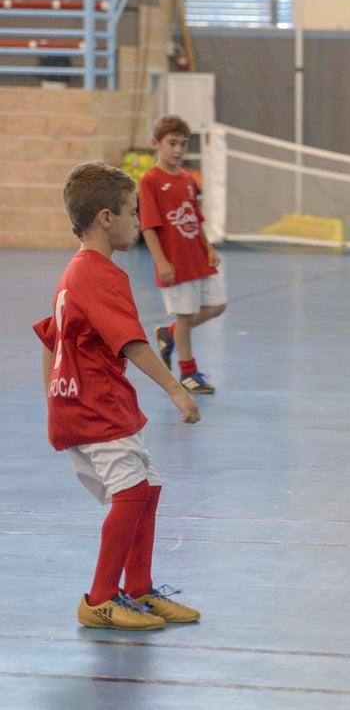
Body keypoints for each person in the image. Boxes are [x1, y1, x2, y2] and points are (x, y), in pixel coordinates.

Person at [33, 161, 203, 630]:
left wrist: (54, 397)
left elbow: (52, 338)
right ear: (106, 218)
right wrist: (176, 390)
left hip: (94, 402)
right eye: (132, 212)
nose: (136, 222)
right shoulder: (101, 274)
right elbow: (130, 340)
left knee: (147, 488)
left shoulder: (76, 270)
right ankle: (102, 598)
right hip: (97, 405)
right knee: (130, 494)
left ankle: (140, 588)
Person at [138, 114, 225, 394]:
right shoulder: (150, 180)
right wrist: (161, 261)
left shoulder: (187, 178)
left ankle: (168, 333)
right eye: (172, 143)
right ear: (156, 143)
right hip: (174, 261)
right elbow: (149, 225)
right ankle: (188, 373)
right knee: (186, 316)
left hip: (197, 256)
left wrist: (208, 247)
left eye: (183, 144)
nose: (178, 150)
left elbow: (195, 219)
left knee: (217, 305)